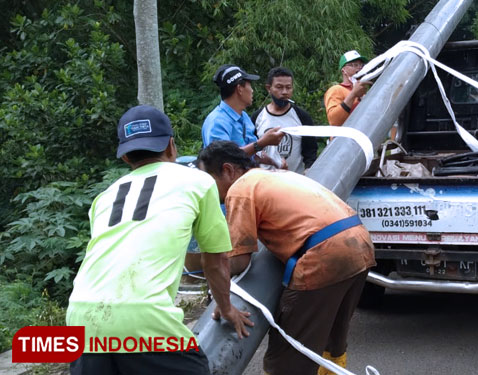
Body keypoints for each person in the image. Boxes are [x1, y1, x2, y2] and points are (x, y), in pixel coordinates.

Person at [67, 105, 253, 375]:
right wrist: (226, 308)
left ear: (125, 158)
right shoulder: (197, 183)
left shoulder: (104, 197)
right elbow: (215, 260)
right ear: (171, 146)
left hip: (81, 322)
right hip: (144, 318)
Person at [197, 140, 376, 375]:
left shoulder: (241, 189)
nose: (207, 191)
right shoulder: (275, 175)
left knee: (289, 354)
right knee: (333, 336)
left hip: (326, 254)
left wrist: (214, 279)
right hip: (360, 244)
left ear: (228, 170)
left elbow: (239, 261)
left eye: (209, 181)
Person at [202, 64, 284, 166]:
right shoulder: (217, 122)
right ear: (240, 89)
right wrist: (261, 143)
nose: (252, 90)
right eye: (250, 85)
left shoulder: (244, 116)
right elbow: (224, 158)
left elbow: (254, 153)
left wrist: (276, 163)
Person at [251, 67, 317, 174]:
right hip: (264, 182)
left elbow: (310, 150)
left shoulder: (302, 116)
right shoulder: (257, 117)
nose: (284, 92)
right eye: (279, 87)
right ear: (269, 88)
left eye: (288, 87)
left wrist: (309, 169)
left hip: (294, 182)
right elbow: (252, 150)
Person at [324, 50, 372, 126]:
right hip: (344, 137)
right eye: (355, 65)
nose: (359, 68)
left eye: (361, 65)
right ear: (344, 70)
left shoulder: (364, 91)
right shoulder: (335, 90)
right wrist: (353, 94)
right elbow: (334, 121)